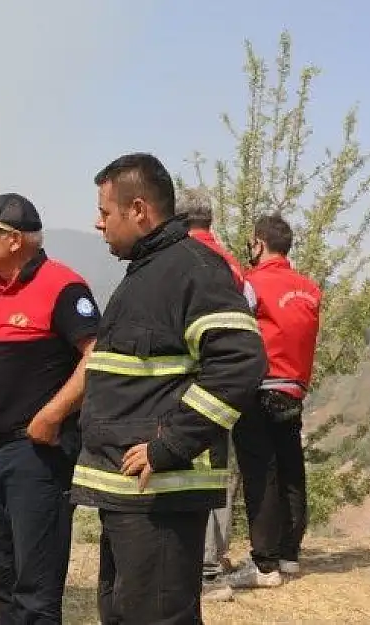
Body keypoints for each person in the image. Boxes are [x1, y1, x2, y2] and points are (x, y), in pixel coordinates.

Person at [75, 153, 266, 624]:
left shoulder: (191, 269)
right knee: (123, 612)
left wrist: (170, 445)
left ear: (138, 209)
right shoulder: (149, 270)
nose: (97, 224)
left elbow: (240, 362)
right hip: (129, 491)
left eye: (105, 212)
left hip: (160, 489)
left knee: (155, 615)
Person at [0, 193, 100, 625]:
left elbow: (98, 357)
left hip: (39, 456)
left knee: (36, 588)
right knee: (4, 578)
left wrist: (53, 414)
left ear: (14, 240)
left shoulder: (61, 285)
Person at [224, 214, 321, 591]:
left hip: (259, 386)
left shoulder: (251, 283)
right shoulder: (310, 288)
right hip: (293, 387)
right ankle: (289, 554)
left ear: (259, 244)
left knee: (260, 472)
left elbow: (237, 329)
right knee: (291, 468)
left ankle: (264, 564)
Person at [174, 186, 251, 602]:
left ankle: (204, 571)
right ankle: (215, 560)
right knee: (219, 469)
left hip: (192, 382)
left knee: (194, 470)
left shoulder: (184, 260)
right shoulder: (234, 265)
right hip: (228, 384)